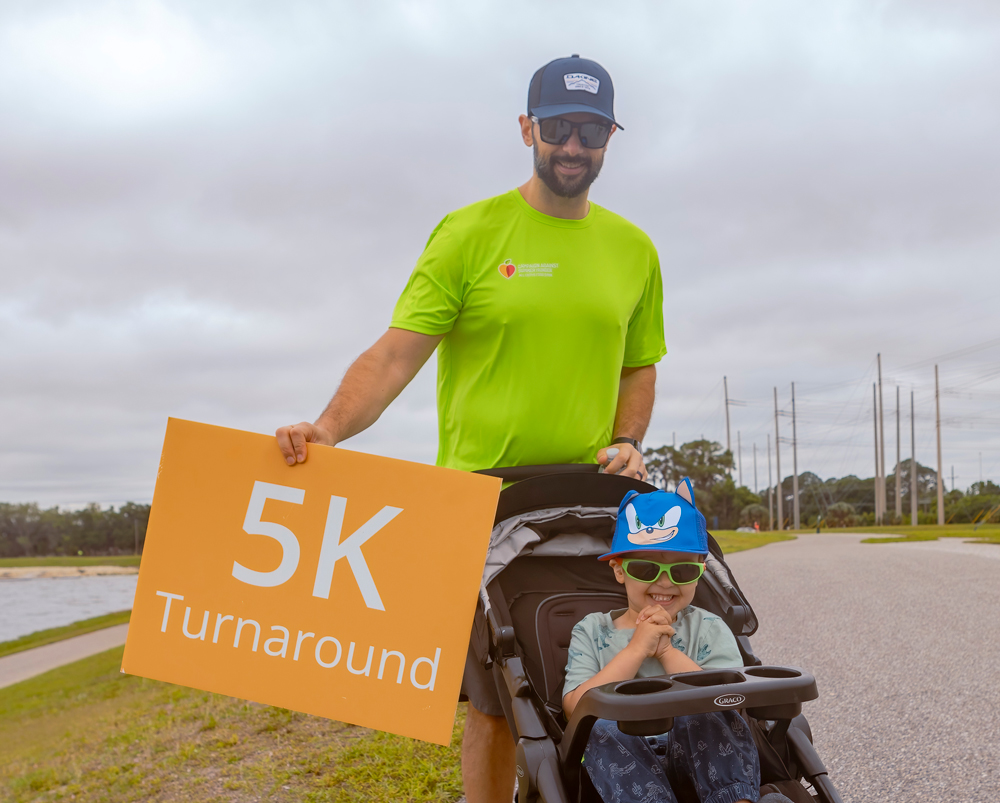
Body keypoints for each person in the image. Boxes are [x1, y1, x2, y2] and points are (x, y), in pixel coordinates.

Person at [276, 55, 666, 803]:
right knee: (499, 701)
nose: (573, 144)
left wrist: (630, 438)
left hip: (592, 504)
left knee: (598, 670)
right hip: (483, 507)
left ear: (611, 136)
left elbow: (639, 365)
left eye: (591, 128)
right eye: (558, 126)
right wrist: (327, 430)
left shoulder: (634, 249)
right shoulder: (468, 233)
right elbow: (395, 355)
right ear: (528, 128)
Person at [562, 481, 793, 803]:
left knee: (711, 714)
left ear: (700, 571)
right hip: (624, 765)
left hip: (701, 754)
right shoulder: (592, 629)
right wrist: (637, 648)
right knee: (601, 727)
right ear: (619, 570)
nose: (665, 583)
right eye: (645, 568)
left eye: (682, 571)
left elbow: (732, 702)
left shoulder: (708, 627)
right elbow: (575, 707)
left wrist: (667, 651)